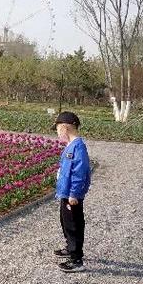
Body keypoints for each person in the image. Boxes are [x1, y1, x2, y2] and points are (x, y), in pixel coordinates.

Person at [52, 111, 91, 273]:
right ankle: (70, 246)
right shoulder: (70, 146)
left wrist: (74, 194)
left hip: (72, 195)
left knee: (73, 224)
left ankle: (76, 259)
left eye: (57, 129)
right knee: (65, 221)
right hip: (65, 192)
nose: (57, 133)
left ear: (65, 128)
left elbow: (79, 173)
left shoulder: (78, 147)